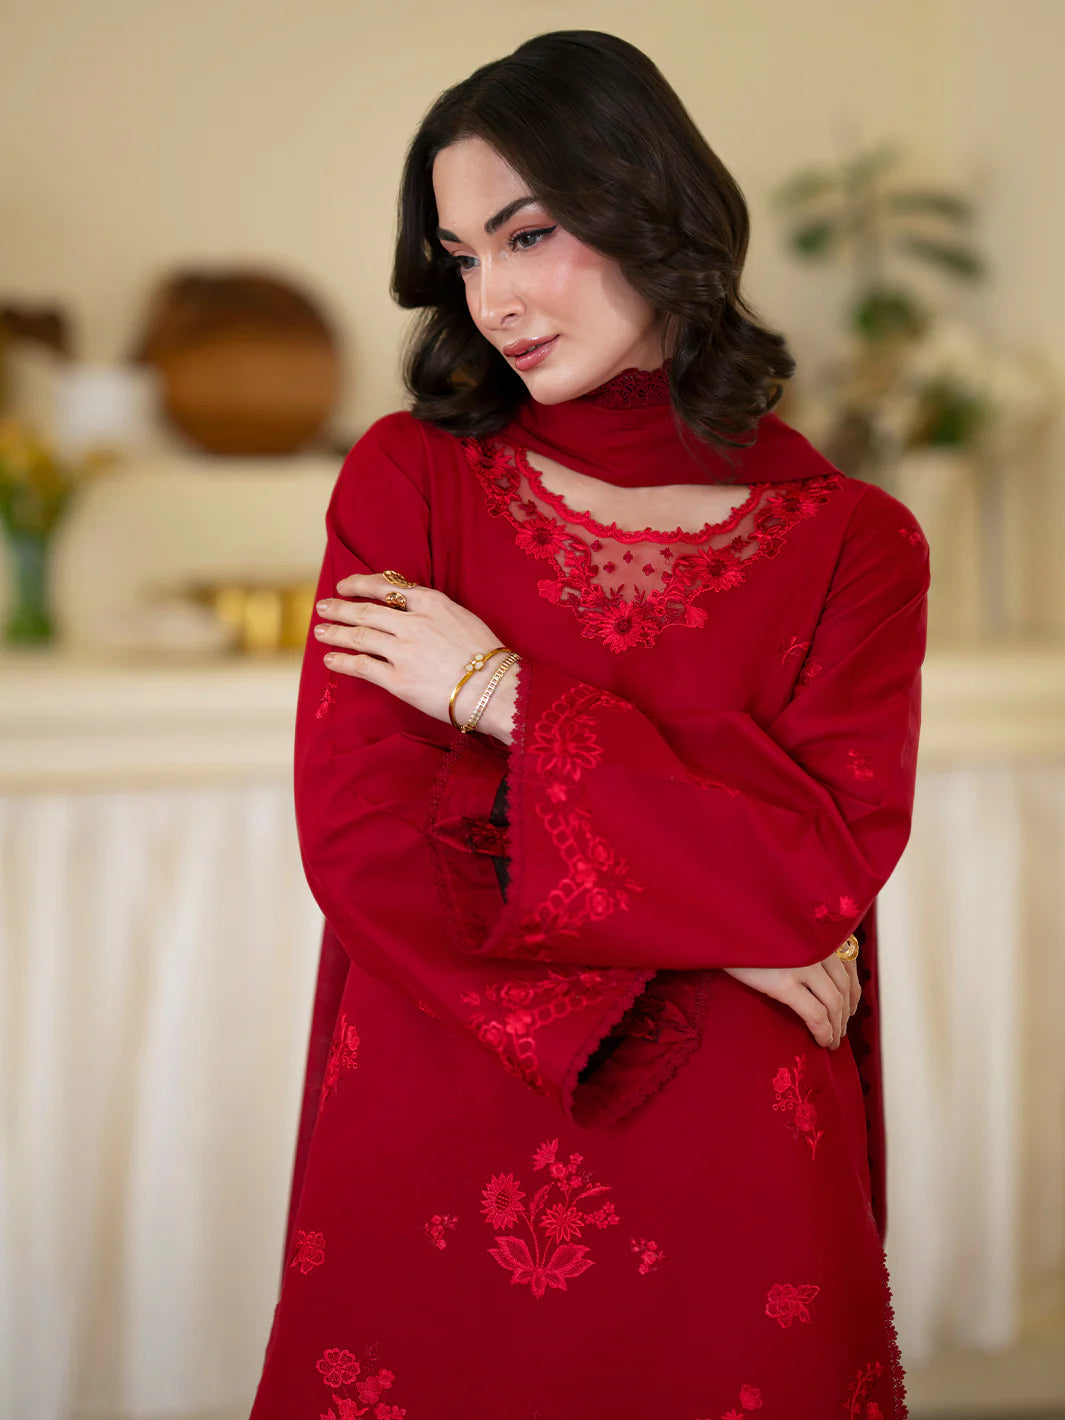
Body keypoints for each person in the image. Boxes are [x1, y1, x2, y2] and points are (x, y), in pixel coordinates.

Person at [248, 29, 927, 1420]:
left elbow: (822, 863)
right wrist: (726, 907)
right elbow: (367, 842)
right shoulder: (409, 483)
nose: (491, 297)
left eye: (528, 234)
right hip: (445, 1110)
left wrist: (499, 700)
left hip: (737, 1152)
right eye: (462, 258)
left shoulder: (854, 544)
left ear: (650, 203)